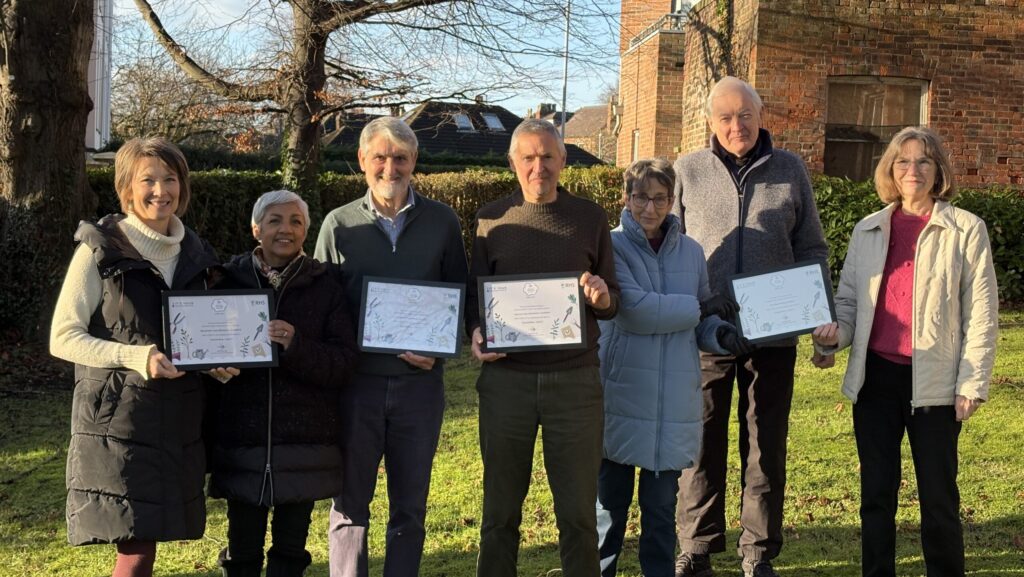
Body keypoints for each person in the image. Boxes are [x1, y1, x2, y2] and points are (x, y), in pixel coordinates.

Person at [811, 126, 998, 577]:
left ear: (938, 172)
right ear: (889, 171)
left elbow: (982, 314)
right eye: (902, 161)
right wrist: (832, 336)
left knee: (938, 499)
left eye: (923, 162)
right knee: (876, 495)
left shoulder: (966, 230)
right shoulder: (868, 229)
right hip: (876, 380)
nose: (912, 170)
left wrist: (972, 383)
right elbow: (852, 303)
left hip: (935, 383)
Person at [669, 76, 829, 577]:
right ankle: (696, 546)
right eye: (725, 117)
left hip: (774, 334)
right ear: (710, 122)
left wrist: (818, 314)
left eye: (745, 115)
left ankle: (758, 551)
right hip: (706, 332)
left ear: (761, 116)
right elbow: (670, 247)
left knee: (765, 445)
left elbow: (811, 248)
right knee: (699, 443)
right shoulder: (687, 170)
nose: (736, 126)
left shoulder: (790, 169)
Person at [49, 137, 220, 577]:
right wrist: (135, 357)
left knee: (147, 544)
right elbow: (63, 337)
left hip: (179, 421)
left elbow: (201, 334)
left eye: (170, 179)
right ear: (126, 188)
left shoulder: (197, 256)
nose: (160, 190)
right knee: (136, 548)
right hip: (118, 423)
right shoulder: (98, 251)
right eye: (148, 180)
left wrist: (216, 361)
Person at [466, 118, 621, 577]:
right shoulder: (490, 219)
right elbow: (476, 298)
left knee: (577, 514)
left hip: (574, 383)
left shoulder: (590, 217)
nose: (539, 167)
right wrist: (476, 332)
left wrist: (602, 298)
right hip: (505, 383)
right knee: (499, 512)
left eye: (547, 156)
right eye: (529, 158)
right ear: (513, 162)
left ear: (563, 160)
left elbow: (612, 299)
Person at [315, 117, 469, 577]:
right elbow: (320, 304)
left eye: (400, 157)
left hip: (419, 388)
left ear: (414, 161)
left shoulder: (442, 221)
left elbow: (459, 296)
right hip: (355, 386)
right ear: (362, 160)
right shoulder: (337, 224)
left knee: (410, 505)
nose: (390, 167)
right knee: (349, 503)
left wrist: (439, 351)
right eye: (379, 157)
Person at [596, 159, 753, 577]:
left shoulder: (692, 251)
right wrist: (702, 308)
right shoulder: (610, 246)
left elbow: (698, 319)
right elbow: (635, 312)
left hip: (673, 404)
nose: (650, 207)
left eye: (660, 198)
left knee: (662, 513)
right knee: (608, 510)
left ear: (672, 200)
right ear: (626, 198)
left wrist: (719, 334)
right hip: (622, 394)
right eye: (641, 197)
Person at [208, 190, 359, 577]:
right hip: (244, 438)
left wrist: (295, 344)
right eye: (275, 220)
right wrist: (214, 367)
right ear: (256, 229)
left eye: (295, 221)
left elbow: (343, 364)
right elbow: (204, 350)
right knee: (242, 550)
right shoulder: (226, 282)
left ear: (306, 230)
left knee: (291, 552)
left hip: (305, 442)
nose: (285, 229)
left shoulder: (327, 286)